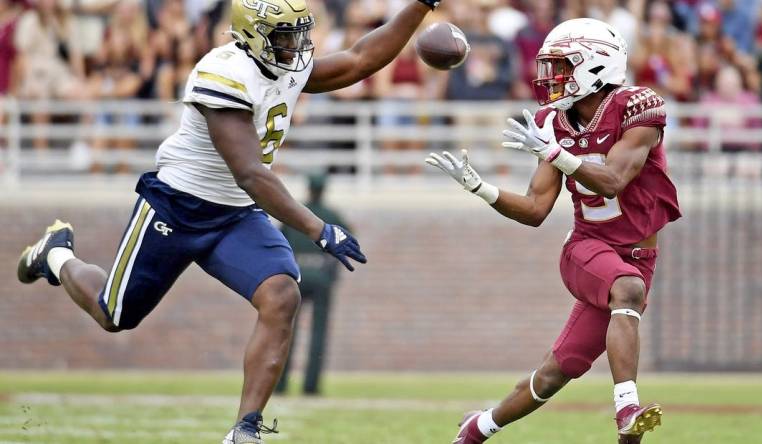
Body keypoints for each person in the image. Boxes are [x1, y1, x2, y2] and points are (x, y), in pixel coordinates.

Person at [16, 0, 444, 443]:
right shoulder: (223, 71)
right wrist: (319, 228)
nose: (296, 45)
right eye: (286, 36)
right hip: (177, 208)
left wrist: (420, 5)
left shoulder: (282, 61)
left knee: (281, 296)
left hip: (235, 212)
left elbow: (360, 60)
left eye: (300, 33)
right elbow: (251, 172)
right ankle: (58, 254)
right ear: (255, 36)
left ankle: (245, 429)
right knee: (114, 314)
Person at [427, 18, 681, 444]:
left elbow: (614, 179)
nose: (552, 77)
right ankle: (627, 409)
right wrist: (480, 187)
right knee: (627, 289)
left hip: (639, 257)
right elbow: (534, 209)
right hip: (586, 249)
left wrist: (555, 153)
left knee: (555, 373)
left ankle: (476, 429)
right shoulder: (551, 122)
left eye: (563, 66)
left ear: (597, 65)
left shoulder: (639, 106)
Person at [275, 172, 347, 395]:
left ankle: (280, 384)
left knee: (285, 330)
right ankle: (311, 386)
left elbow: (278, 242)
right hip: (322, 276)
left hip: (295, 275)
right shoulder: (332, 215)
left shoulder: (295, 213)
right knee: (318, 332)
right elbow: (346, 243)